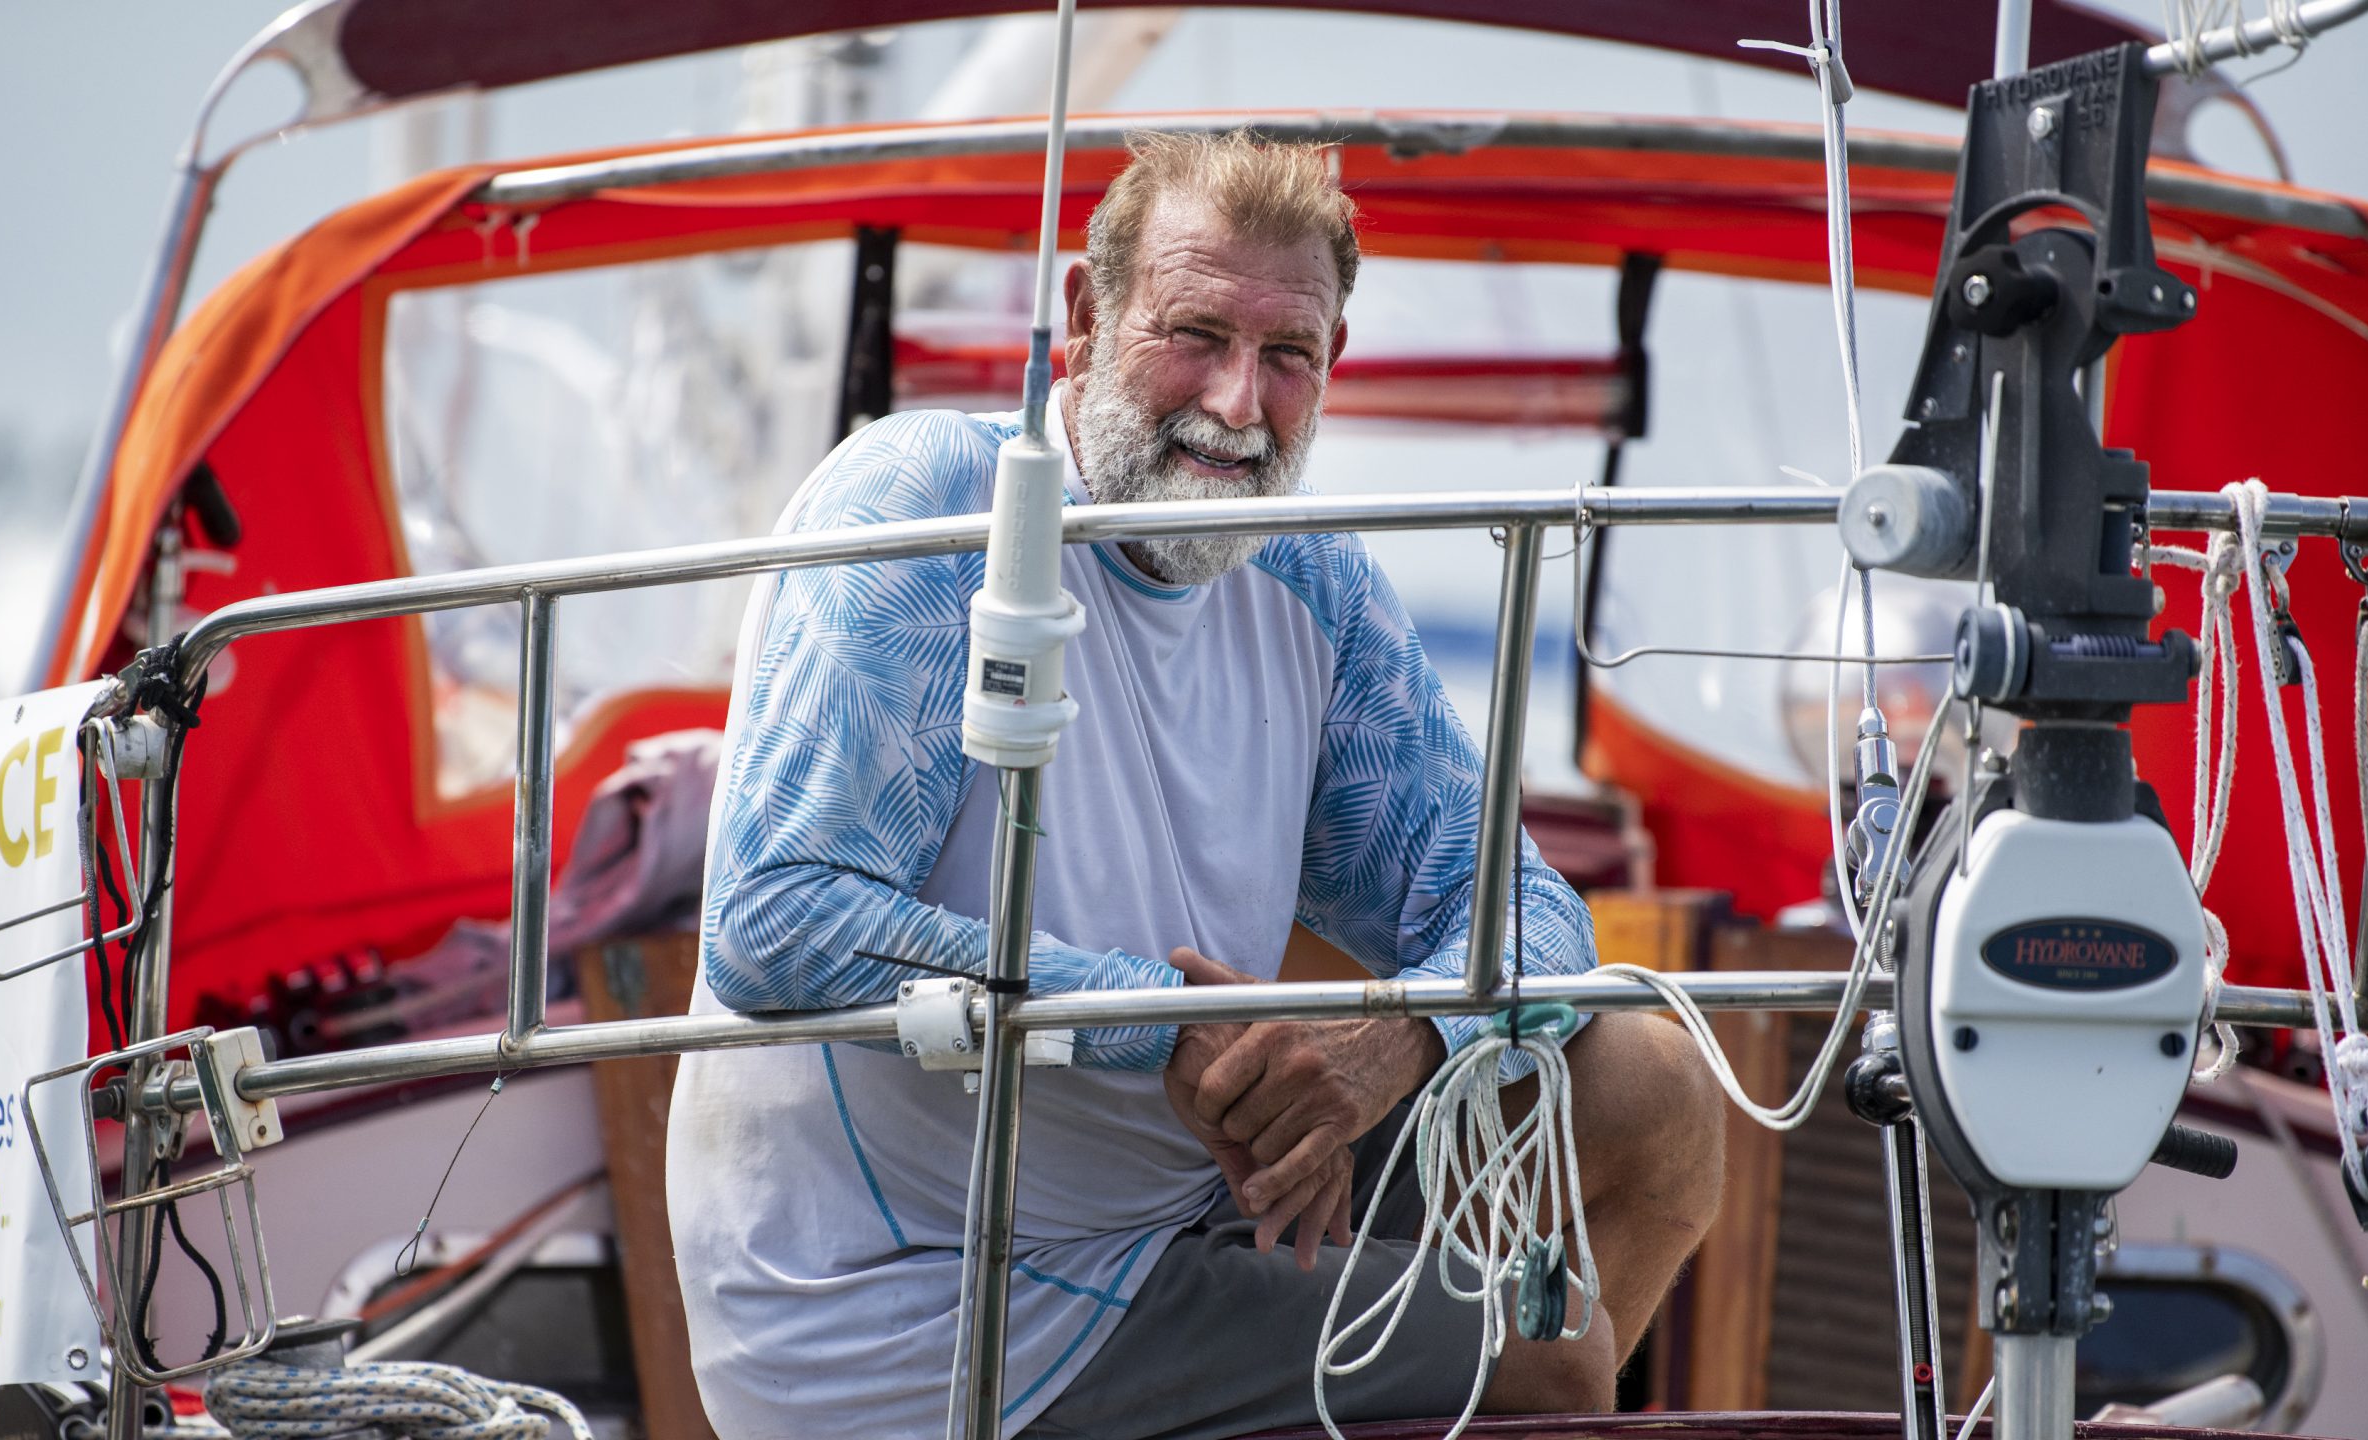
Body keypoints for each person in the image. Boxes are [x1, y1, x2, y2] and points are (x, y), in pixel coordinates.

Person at [664, 130, 1725, 1440]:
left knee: (1655, 1096)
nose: (1236, 402)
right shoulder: (926, 506)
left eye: (1287, 356)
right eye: (1195, 333)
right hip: (920, 1304)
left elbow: (1514, 904)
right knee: (1553, 1358)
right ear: (1082, 315)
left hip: (1188, 1211)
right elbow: (781, 924)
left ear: (1331, 365)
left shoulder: (1314, 586)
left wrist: (1391, 1042)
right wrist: (1160, 1022)